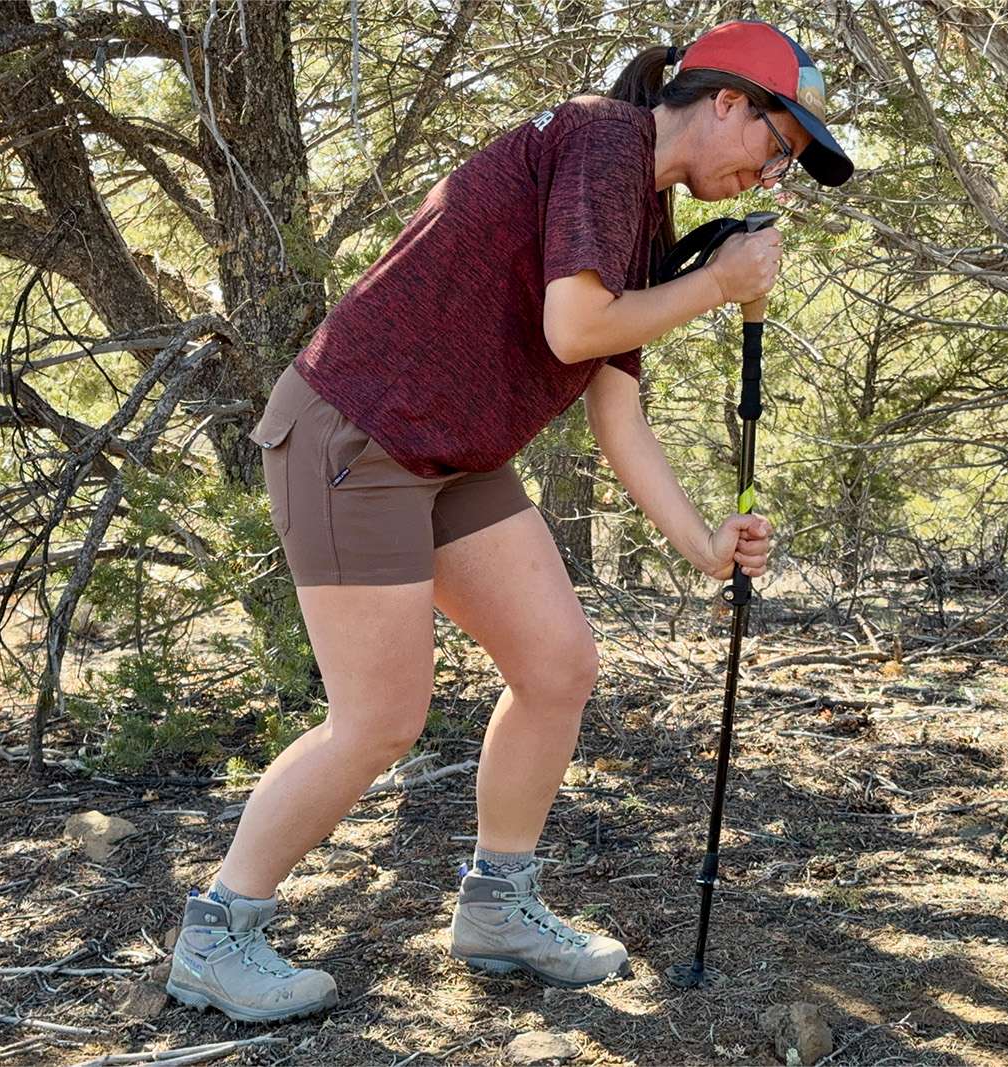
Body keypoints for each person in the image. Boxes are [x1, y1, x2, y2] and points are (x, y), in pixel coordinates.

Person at [165, 19, 853, 1023]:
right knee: (381, 716)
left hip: (452, 456)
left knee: (557, 661)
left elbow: (617, 407)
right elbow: (572, 326)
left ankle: (496, 906)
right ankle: (215, 934)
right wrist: (718, 285)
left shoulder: (640, 214)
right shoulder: (605, 141)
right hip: (356, 432)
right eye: (776, 149)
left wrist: (704, 544)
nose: (770, 178)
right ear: (725, 103)